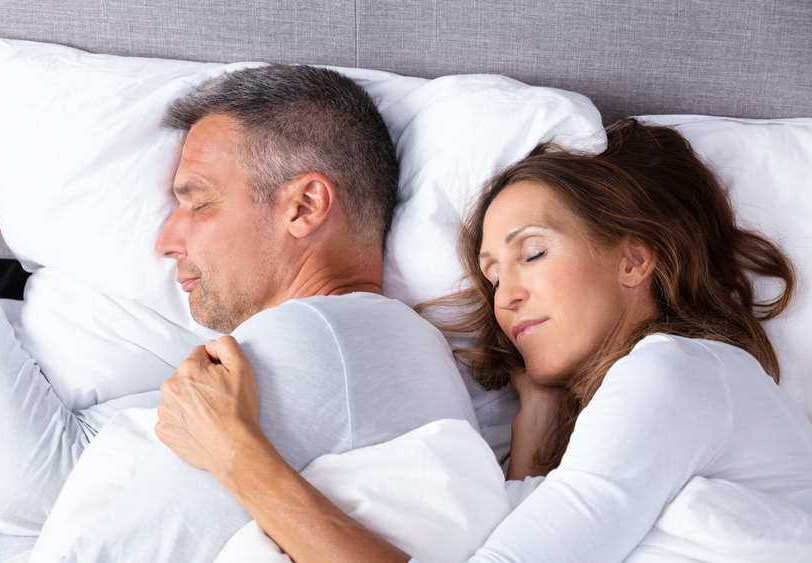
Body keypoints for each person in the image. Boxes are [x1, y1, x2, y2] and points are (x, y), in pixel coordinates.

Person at [156, 118, 812, 561]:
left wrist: (237, 453)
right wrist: (535, 432)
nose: (506, 297)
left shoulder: (672, 372)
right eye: (493, 276)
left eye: (532, 253)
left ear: (634, 259)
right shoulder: (670, 392)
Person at [0, 64, 477, 560]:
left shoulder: (309, 341)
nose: (166, 238)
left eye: (199, 203)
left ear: (304, 206)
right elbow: (40, 483)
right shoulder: (372, 345)